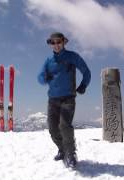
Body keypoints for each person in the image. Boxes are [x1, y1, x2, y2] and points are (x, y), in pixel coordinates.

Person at [38, 32, 91, 168]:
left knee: (64, 125)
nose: (56, 45)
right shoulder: (48, 61)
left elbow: (86, 71)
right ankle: (62, 149)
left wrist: (83, 85)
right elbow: (39, 77)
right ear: (50, 44)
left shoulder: (72, 57)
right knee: (52, 128)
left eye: (58, 42)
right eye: (53, 42)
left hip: (68, 97)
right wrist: (44, 77)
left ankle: (71, 154)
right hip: (52, 99)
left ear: (64, 42)